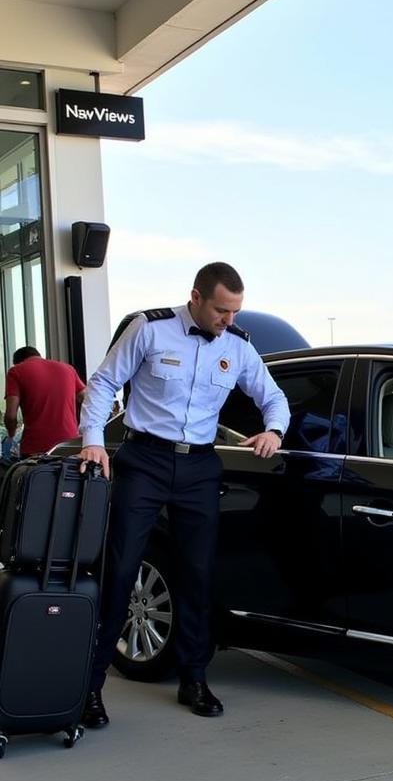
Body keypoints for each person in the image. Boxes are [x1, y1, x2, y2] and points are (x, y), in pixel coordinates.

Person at [76, 262, 290, 727]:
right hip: (145, 461)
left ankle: (193, 677)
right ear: (196, 296)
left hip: (198, 466)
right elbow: (104, 382)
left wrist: (273, 429)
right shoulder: (149, 329)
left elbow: (273, 397)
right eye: (221, 310)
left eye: (235, 311)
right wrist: (93, 438)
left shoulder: (238, 345)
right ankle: (89, 686)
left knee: (198, 574)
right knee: (121, 569)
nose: (228, 320)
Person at [4, 346, 86, 457]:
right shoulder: (68, 369)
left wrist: (11, 435)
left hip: (36, 448)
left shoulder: (16, 371)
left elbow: (10, 416)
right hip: (70, 445)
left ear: (17, 362)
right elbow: (87, 399)